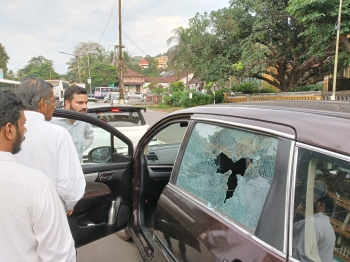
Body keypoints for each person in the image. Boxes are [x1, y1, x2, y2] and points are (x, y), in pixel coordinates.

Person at [0, 90, 76, 261]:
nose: (25, 130)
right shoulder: (37, 186)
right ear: (9, 130)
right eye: (22, 124)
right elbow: (59, 254)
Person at [15, 78, 85, 215]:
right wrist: (69, 204)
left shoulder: (6, 131)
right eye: (53, 101)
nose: (54, 106)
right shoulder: (58, 134)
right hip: (48, 213)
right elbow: (70, 185)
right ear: (43, 103)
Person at [51, 85, 94, 162]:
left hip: (77, 169)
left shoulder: (84, 120)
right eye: (80, 103)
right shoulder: (52, 120)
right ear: (67, 103)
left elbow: (90, 136)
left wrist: (79, 149)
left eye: (85, 103)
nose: (84, 106)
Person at [292, 188, 336, 261]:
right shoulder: (330, 230)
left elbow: (297, 254)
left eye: (315, 201)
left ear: (321, 206)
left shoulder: (313, 224)